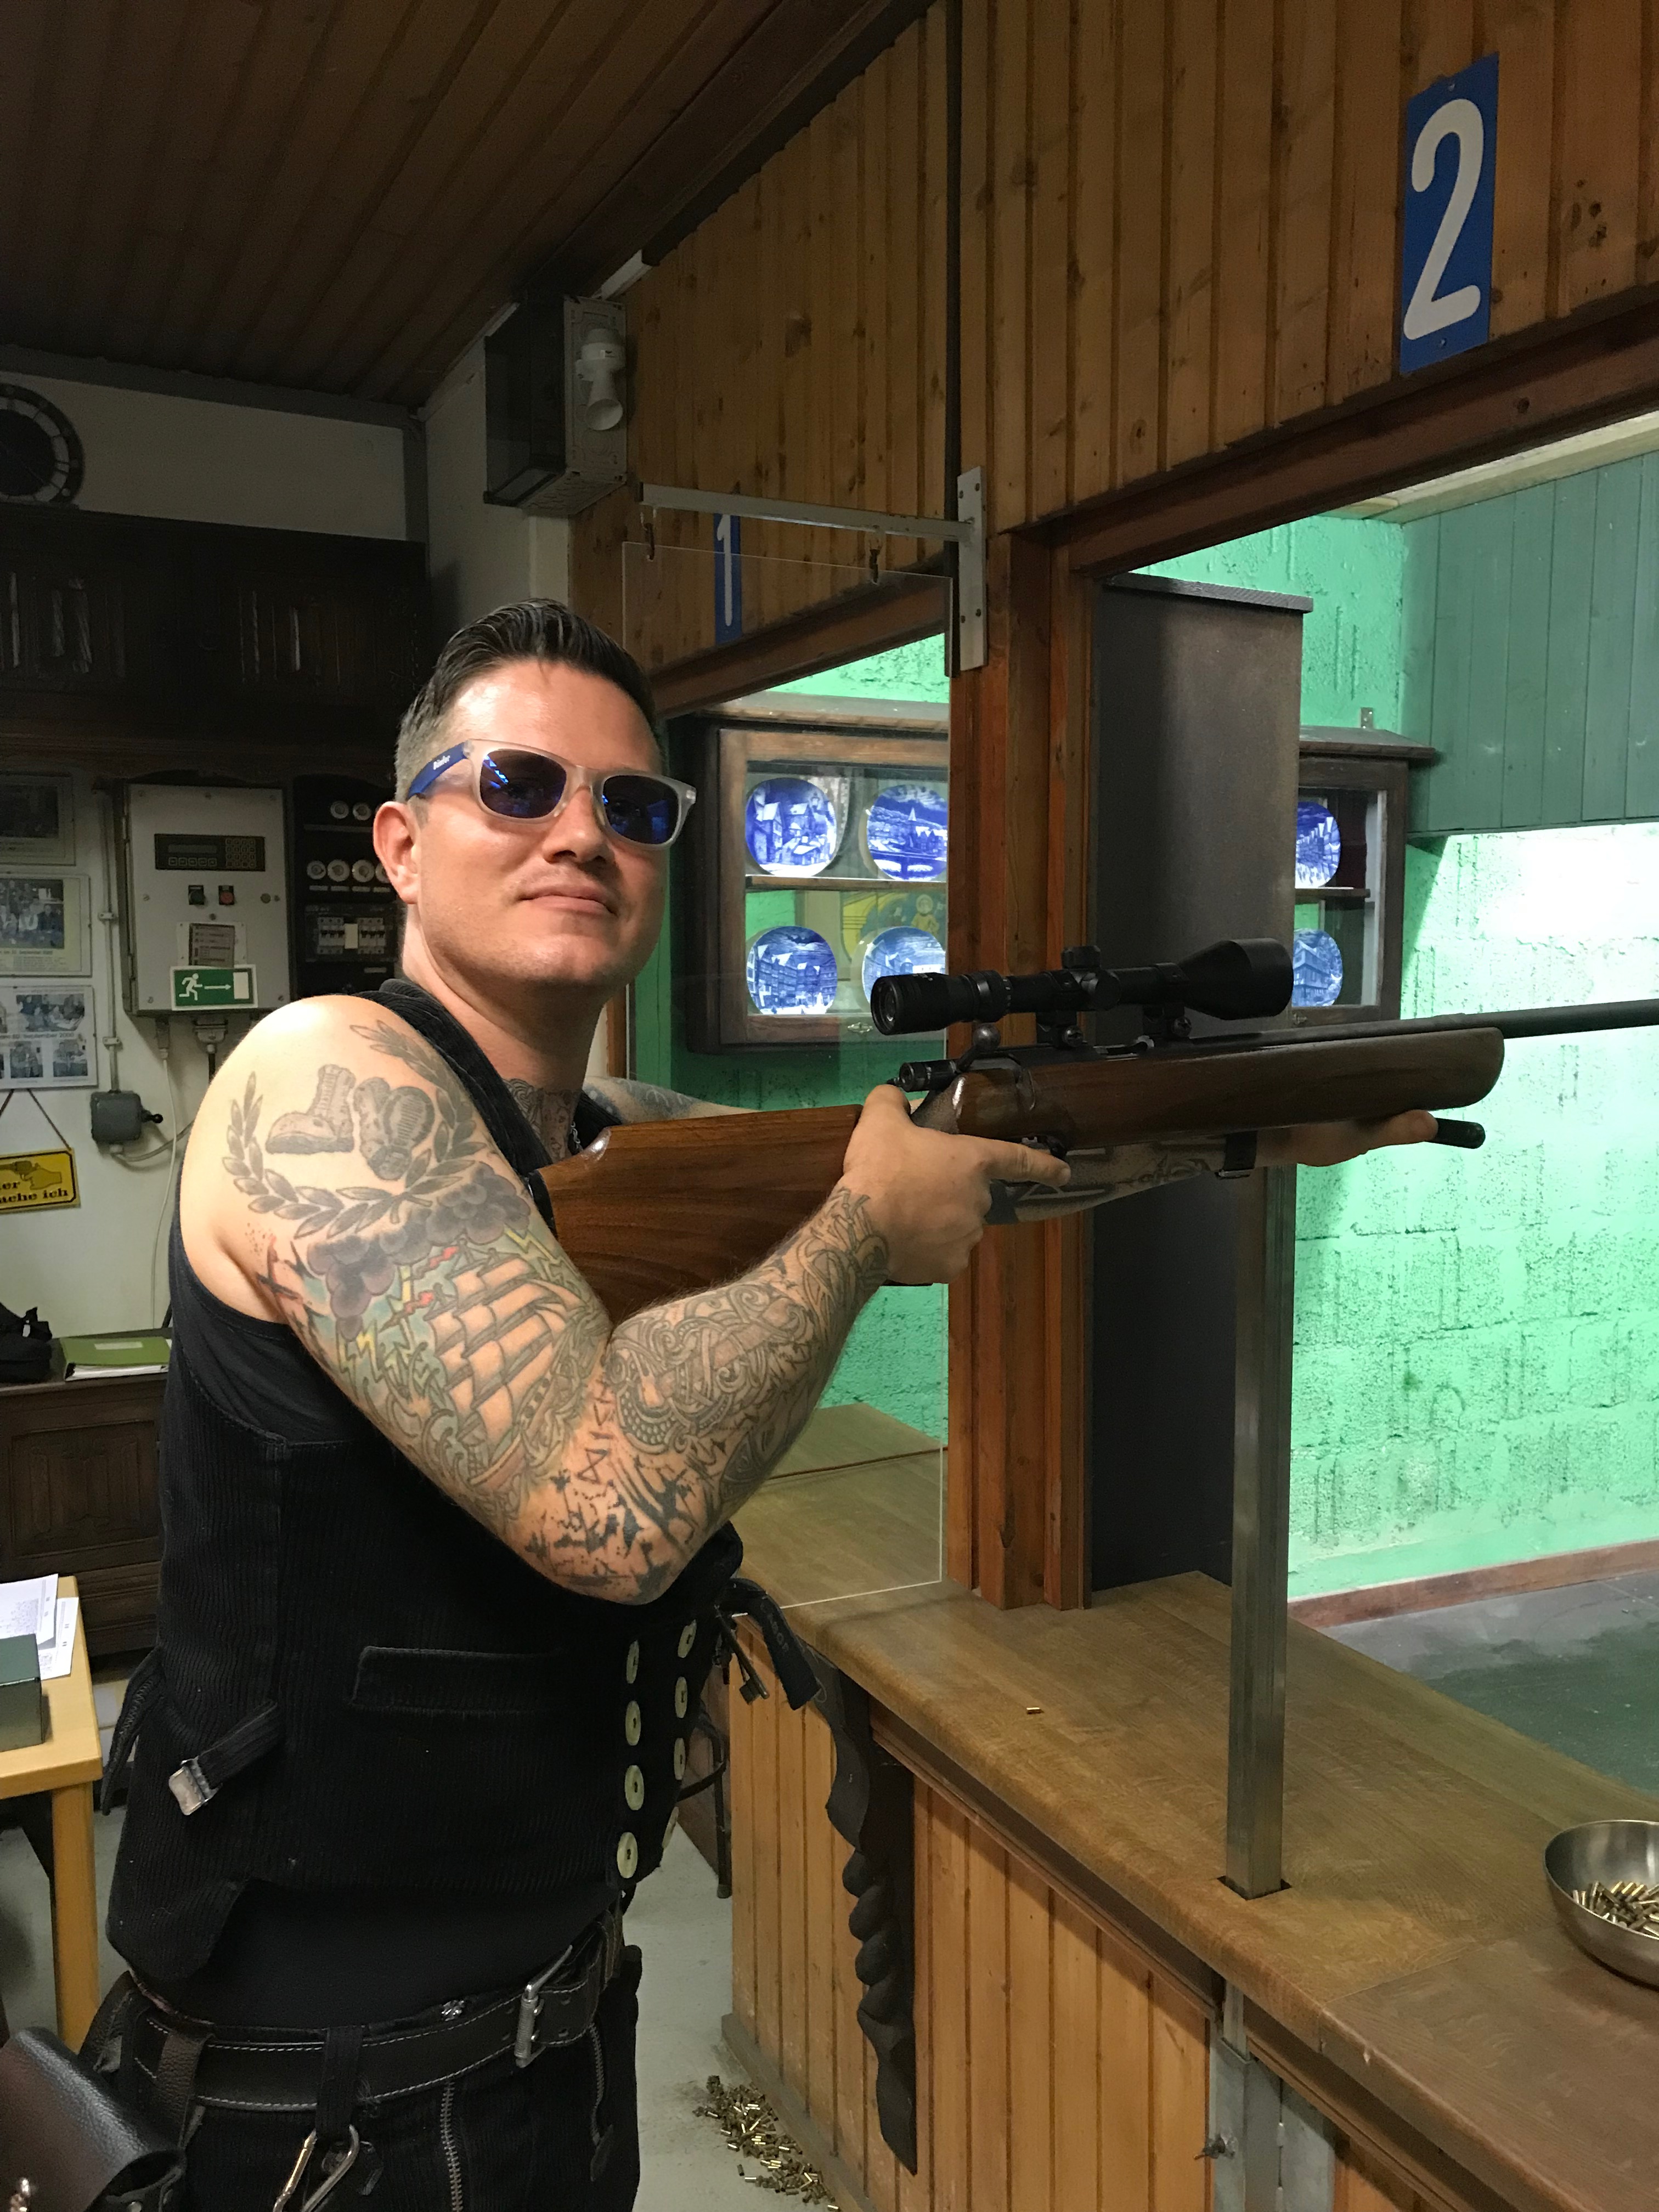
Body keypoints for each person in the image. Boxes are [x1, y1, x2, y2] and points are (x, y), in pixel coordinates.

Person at [100, 601, 1435, 2209]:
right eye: (517, 785)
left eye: (631, 805)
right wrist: (863, 1229)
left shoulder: (596, 1131)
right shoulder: (323, 1078)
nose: (580, 833)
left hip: (541, 2039)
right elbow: (607, 1507)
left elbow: (980, 1176)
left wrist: (1239, 1135)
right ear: (400, 842)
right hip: (323, 2111)